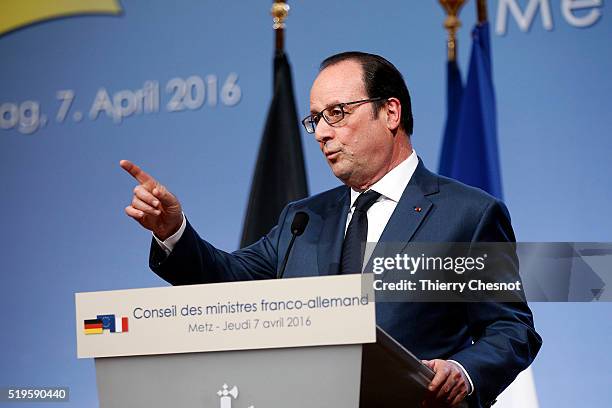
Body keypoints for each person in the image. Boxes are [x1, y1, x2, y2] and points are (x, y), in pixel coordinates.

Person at [121, 52, 541, 408]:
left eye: (337, 114)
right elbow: (228, 283)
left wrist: (463, 371)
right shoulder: (302, 220)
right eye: (316, 119)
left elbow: (511, 330)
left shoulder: (468, 213)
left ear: (390, 112)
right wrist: (174, 231)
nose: (322, 133)